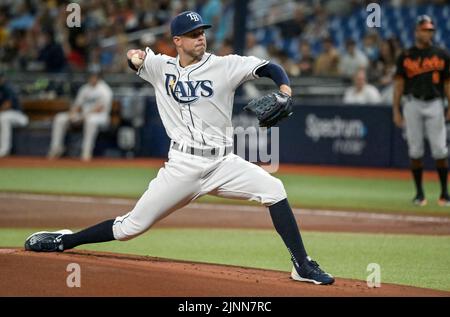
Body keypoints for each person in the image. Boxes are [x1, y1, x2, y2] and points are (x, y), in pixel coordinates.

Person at [25, 11, 334, 285]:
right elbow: (136, 59)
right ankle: (65, 240)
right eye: (193, 35)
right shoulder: (161, 67)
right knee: (130, 228)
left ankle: (302, 265)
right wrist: (134, 57)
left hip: (223, 164)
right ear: (177, 41)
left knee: (274, 188)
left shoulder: (226, 66)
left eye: (202, 33)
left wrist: (284, 89)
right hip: (182, 167)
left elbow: (270, 67)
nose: (201, 38)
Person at [393, 15, 450, 206]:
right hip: (412, 103)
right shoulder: (406, 55)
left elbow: (448, 83)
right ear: (416, 31)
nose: (428, 33)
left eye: (430, 30)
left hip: (435, 103)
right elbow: (399, 84)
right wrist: (396, 110)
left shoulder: (441, 54)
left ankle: (444, 193)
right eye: (425, 29)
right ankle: (419, 193)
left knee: (440, 149)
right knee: (415, 150)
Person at [47, 70, 113, 161]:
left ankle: (86, 153)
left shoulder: (104, 89)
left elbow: (100, 108)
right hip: (83, 115)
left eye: (94, 76)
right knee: (60, 118)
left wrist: (83, 116)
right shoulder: (85, 88)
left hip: (100, 116)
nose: (92, 78)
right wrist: (72, 114)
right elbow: (77, 105)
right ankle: (56, 148)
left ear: (99, 77)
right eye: (91, 76)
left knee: (90, 121)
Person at [0, 71, 29, 157]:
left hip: (18, 115)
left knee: (4, 118)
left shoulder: (8, 88)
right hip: (5, 115)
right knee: (3, 118)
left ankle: (4, 149)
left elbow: (7, 105)